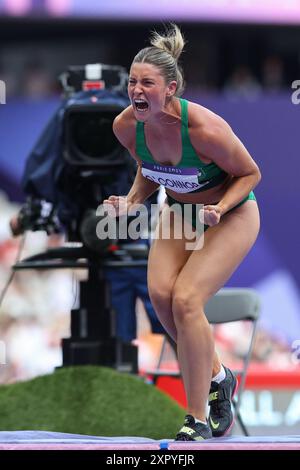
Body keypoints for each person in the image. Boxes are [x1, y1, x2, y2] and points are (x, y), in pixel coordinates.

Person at [103, 24, 261, 441]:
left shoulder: (206, 129)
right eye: (132, 82)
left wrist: (220, 208)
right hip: (178, 211)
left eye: (147, 83)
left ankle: (195, 418)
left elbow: (250, 173)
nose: (136, 90)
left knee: (188, 299)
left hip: (232, 213)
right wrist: (131, 202)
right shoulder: (125, 126)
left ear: (170, 88)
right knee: (162, 297)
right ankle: (219, 376)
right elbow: (151, 170)